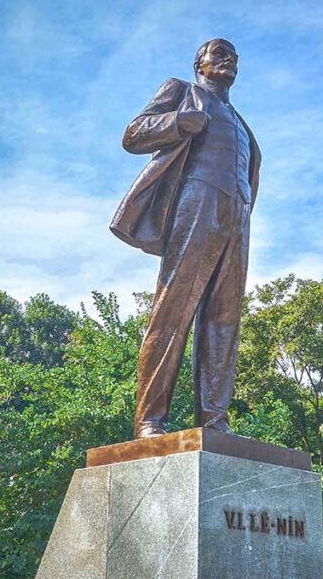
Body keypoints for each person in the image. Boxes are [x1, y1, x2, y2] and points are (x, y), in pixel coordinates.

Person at [110, 38, 261, 439]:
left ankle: (215, 420)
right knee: (173, 310)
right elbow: (133, 134)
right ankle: (149, 420)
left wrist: (242, 210)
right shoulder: (182, 91)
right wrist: (178, 123)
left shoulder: (242, 123)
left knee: (225, 318)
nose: (228, 60)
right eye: (219, 54)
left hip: (237, 214)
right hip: (197, 199)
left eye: (234, 57)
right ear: (200, 64)